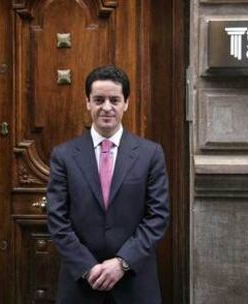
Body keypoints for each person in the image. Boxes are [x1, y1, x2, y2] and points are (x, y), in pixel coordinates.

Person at [46, 65, 170, 304]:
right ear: (87, 102)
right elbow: (57, 220)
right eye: (99, 99)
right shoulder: (63, 155)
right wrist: (88, 267)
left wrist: (122, 263)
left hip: (135, 284)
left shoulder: (150, 154)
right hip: (81, 286)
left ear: (126, 103)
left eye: (114, 99)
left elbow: (158, 217)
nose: (106, 107)